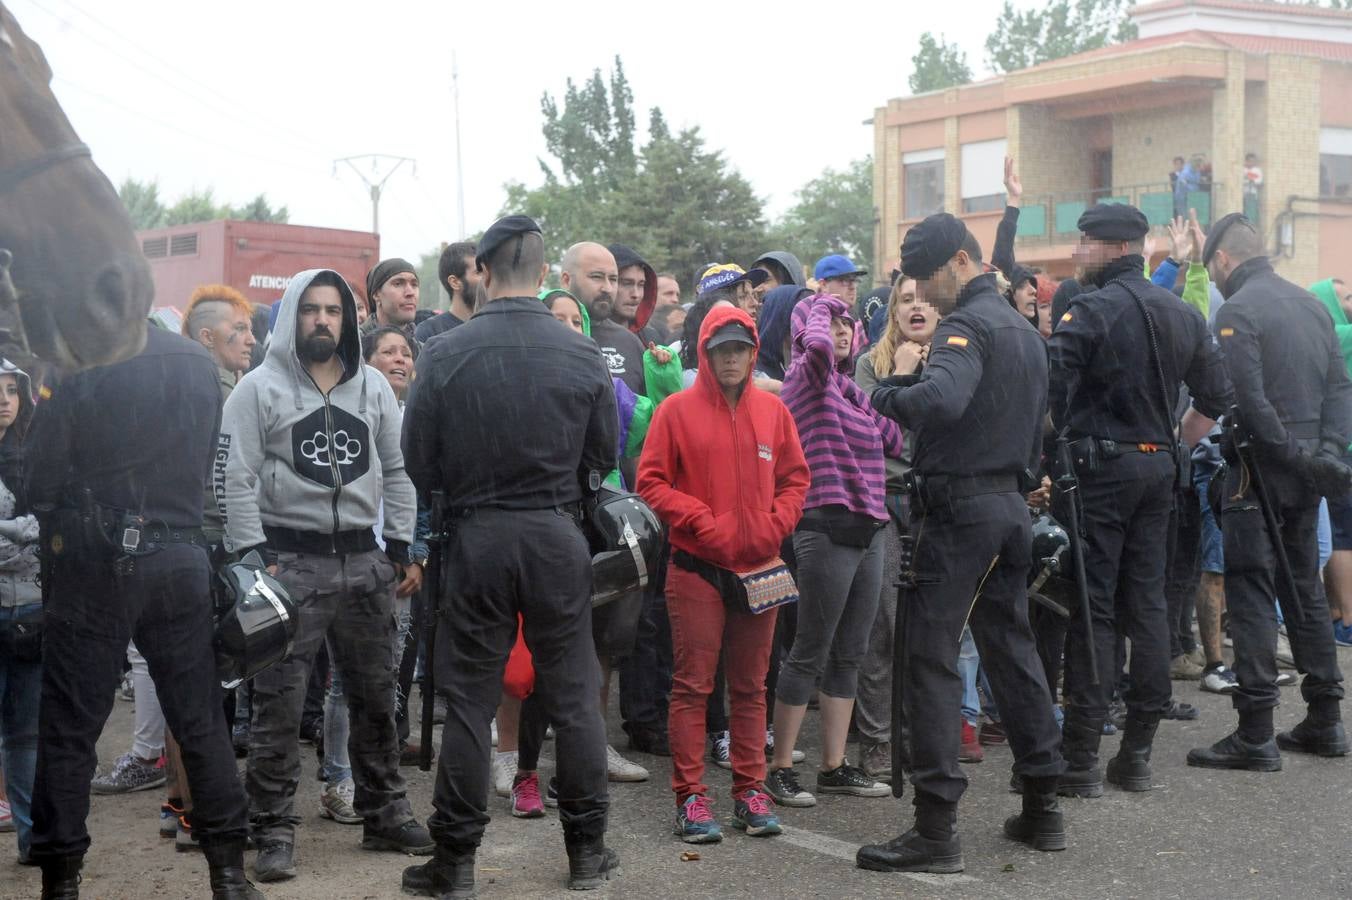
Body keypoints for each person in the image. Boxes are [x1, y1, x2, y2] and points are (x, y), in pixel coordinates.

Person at [402, 215, 621, 896]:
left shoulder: (445, 352)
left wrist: (461, 499)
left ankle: (457, 862)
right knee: (575, 697)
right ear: (544, 269)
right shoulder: (581, 352)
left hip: (478, 534)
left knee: (468, 699)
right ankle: (586, 852)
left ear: (482, 272)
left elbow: (418, 459)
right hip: (556, 532)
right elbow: (603, 456)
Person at [858, 213, 1065, 875]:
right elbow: (1039, 422)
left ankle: (935, 829)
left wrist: (886, 391)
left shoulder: (967, 325)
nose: (920, 291)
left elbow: (941, 401)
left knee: (930, 658)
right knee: (1011, 649)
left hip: (962, 512)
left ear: (957, 261)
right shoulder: (1024, 330)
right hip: (1009, 507)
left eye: (924, 275)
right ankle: (1042, 808)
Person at [26, 328, 260, 899]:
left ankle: (60, 881)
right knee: (202, 721)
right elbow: (205, 460)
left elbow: (40, 482)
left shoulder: (78, 354)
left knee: (69, 729)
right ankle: (228, 877)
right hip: (179, 556)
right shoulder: (195, 362)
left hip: (97, 561)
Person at [220, 268, 430, 883]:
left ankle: (385, 812)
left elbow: (398, 468)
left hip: (364, 562)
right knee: (278, 708)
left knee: (376, 697)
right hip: (291, 564)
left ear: (348, 318)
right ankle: (274, 829)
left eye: (333, 311)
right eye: (310, 310)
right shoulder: (257, 390)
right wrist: (254, 559)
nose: (322, 321)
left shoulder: (372, 389)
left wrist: (399, 544)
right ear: (292, 315)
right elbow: (234, 477)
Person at [1047, 204, 1233, 798]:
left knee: (1095, 608)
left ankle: (1079, 759)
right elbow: (1216, 395)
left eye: (1083, 244)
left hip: (1103, 471)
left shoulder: (1091, 309)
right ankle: (1136, 754)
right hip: (1159, 469)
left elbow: (1049, 388)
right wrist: (1175, 442)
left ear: (1110, 247)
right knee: (1148, 605)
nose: (1078, 255)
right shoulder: (1180, 311)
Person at [637, 304, 809, 843]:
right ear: (705, 353)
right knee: (692, 686)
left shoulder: (774, 412)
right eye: (720, 349)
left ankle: (750, 791)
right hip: (696, 567)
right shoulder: (676, 412)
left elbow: (796, 480)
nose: (730, 358)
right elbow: (651, 481)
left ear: (752, 352)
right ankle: (690, 799)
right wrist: (702, 521)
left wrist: (774, 524)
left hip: (761, 567)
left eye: (739, 349)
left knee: (752, 687)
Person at [1187, 214, 1352, 770]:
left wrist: (1292, 454)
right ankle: (1325, 719)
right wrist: (1324, 456)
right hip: (1305, 471)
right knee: (1304, 587)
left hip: (1260, 470)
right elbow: (1339, 390)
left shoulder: (1238, 310)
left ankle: (1255, 730)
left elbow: (1249, 402)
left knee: (1253, 590)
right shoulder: (1311, 304)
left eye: (1212, 268)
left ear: (1224, 260)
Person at [764, 294, 903, 808]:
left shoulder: (848, 391)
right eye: (833, 323)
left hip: (870, 528)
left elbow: (894, 437)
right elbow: (819, 347)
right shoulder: (806, 377)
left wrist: (900, 381)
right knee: (809, 651)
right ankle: (780, 768)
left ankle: (833, 766)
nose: (842, 331)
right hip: (824, 524)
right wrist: (821, 306)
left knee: (851, 651)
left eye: (849, 324)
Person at [852, 276, 934, 782]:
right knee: (882, 627)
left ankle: (920, 735)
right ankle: (877, 743)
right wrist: (897, 378)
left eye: (925, 299)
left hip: (936, 506)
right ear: (893, 312)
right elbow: (864, 429)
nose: (916, 306)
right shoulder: (869, 365)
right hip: (884, 503)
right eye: (906, 299)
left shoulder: (955, 360)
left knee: (928, 629)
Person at [0, 360, 39, 866]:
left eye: (12, 390)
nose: (5, 399)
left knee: (27, 736)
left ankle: (33, 840)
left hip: (32, 610)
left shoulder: (36, 457)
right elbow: (35, 533)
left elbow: (52, 528)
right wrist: (24, 533)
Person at [415, 241, 479, 345]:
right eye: (479, 272)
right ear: (454, 282)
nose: (488, 278)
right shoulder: (429, 332)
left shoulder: (497, 327)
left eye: (488, 271)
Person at [608, 243, 660, 344]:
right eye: (626, 284)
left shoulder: (651, 340)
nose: (636, 294)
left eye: (641, 285)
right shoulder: (585, 335)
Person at [362, 258, 420, 338]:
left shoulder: (424, 348)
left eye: (414, 285)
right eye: (398, 284)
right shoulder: (353, 345)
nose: (410, 293)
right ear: (376, 294)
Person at [813, 255, 867, 319]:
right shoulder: (813, 321)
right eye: (845, 280)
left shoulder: (855, 318)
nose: (852, 287)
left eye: (855, 280)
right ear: (823, 285)